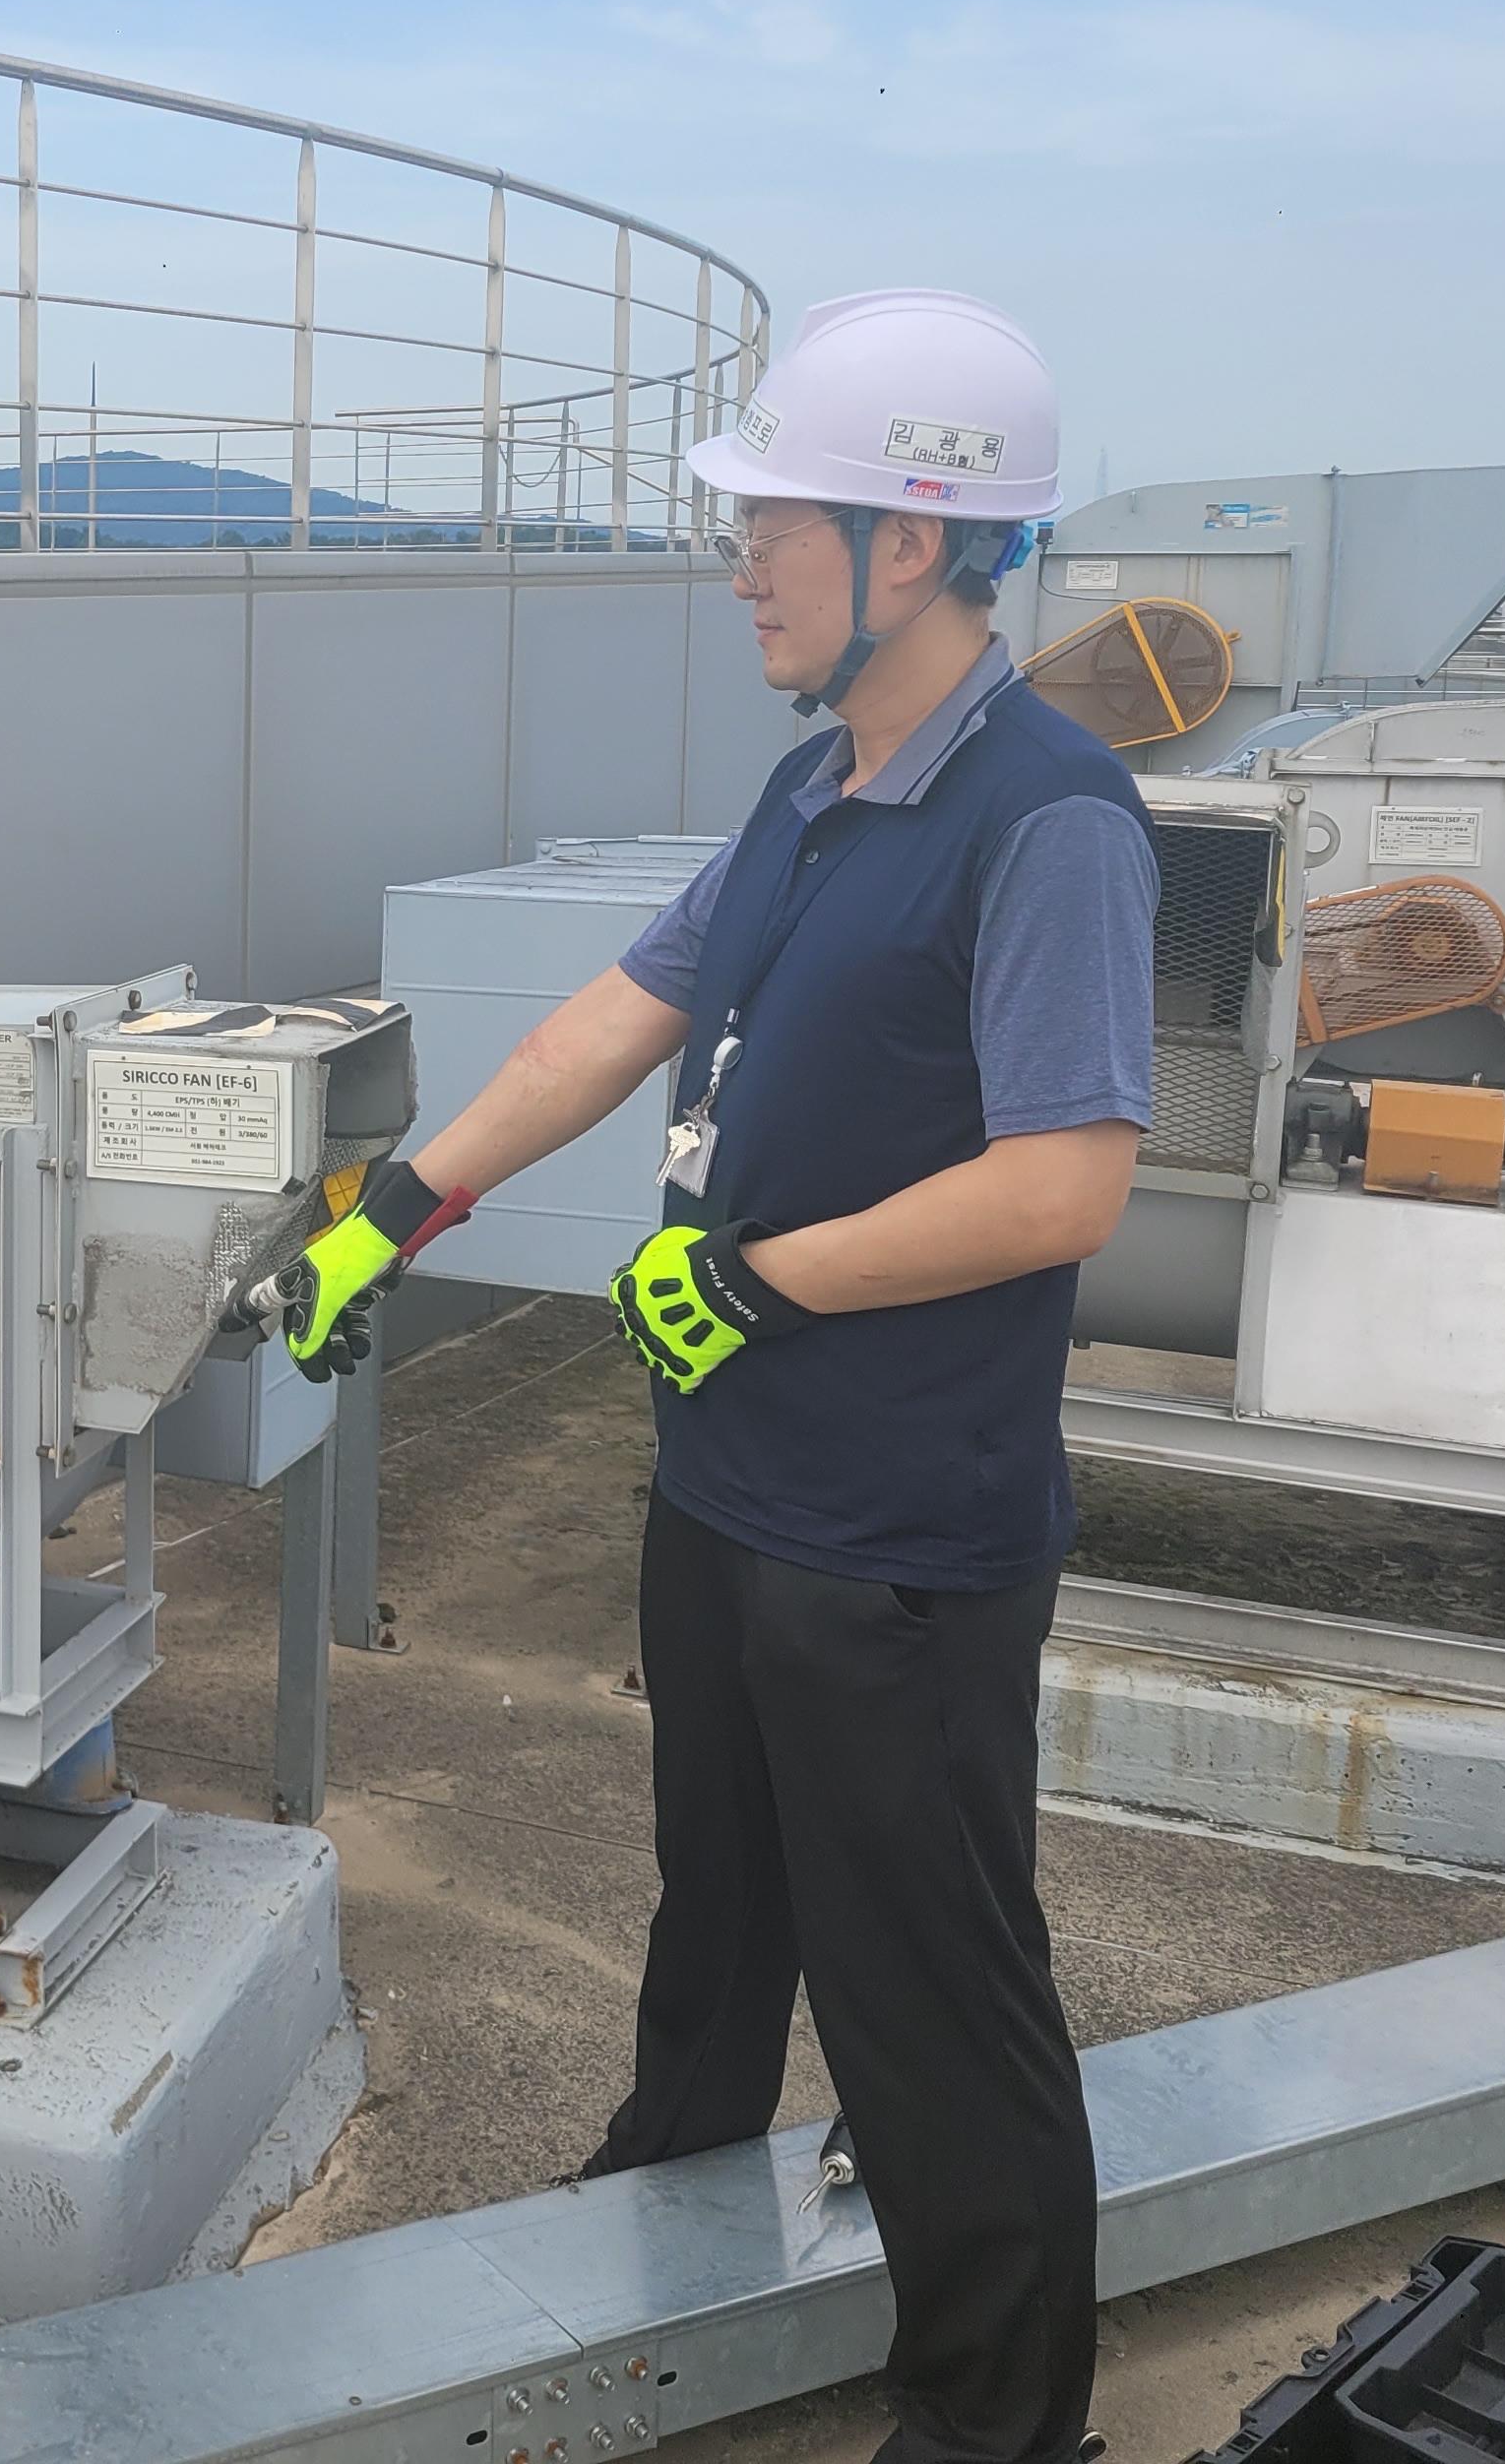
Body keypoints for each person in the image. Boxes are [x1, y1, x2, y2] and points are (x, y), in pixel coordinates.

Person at [263, 291, 1152, 2464]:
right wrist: (397, 1205)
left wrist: (760, 1282)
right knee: (720, 1919)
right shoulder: (817, 785)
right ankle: (658, 2232)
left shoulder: (1049, 818)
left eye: (772, 525)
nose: (739, 563)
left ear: (911, 544)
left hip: (899, 1535)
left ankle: (997, 2424)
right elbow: (627, 1009)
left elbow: (1065, 1184)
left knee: (928, 1993)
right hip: (732, 1491)